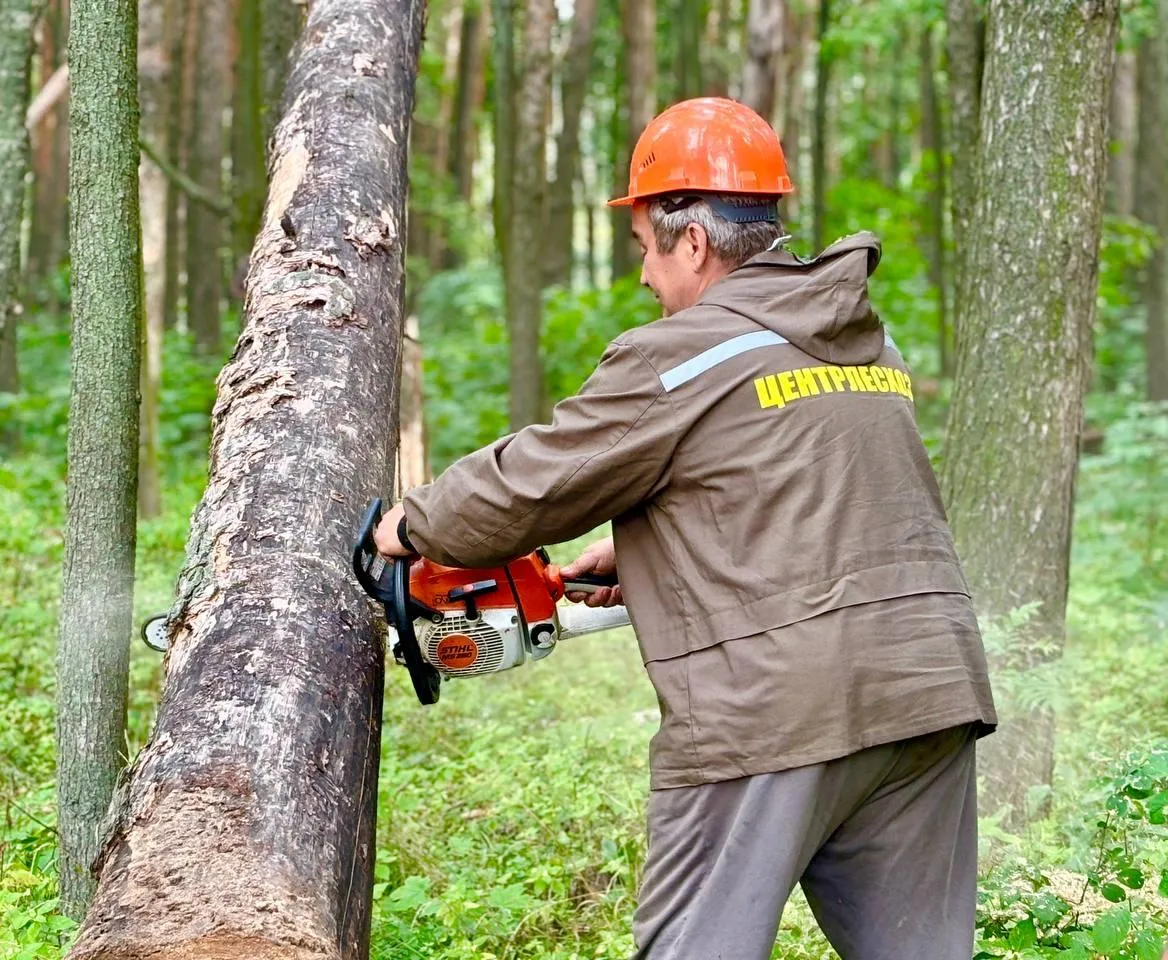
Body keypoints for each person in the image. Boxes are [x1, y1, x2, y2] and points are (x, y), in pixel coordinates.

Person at [374, 97, 997, 960]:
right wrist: (657, 554)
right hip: (929, 683)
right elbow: (809, 498)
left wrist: (409, 527)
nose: (643, 278)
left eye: (644, 251)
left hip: (776, 709)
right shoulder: (861, 343)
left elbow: (537, 482)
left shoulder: (687, 352)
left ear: (692, 241)